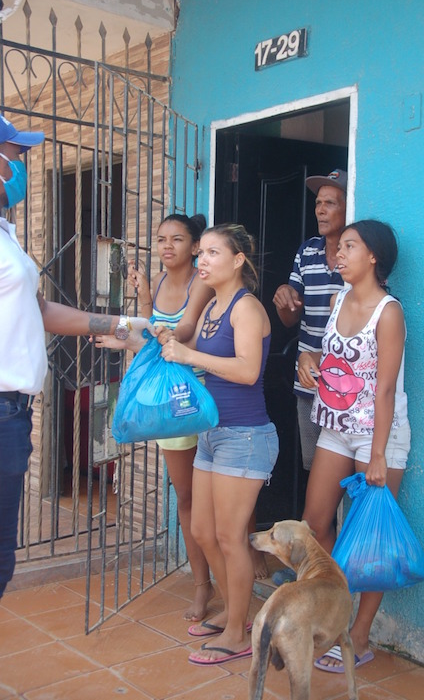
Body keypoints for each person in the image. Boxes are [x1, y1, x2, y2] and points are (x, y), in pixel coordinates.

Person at [0, 114, 152, 599]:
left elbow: (37, 308)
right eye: (15, 153)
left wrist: (121, 325)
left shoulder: (5, 233)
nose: (21, 163)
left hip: (13, 412)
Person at [159, 223, 279, 665]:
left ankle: (237, 633)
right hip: (213, 432)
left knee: (231, 538)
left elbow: (247, 371)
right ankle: (235, 613)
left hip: (245, 436)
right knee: (204, 532)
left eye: (211, 253)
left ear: (238, 260)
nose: (201, 260)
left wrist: (191, 357)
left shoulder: (246, 308)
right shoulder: (211, 303)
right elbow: (181, 339)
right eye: (201, 253)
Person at [298, 219, 411, 673]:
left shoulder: (389, 312)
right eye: (339, 247)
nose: (338, 254)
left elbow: (384, 389)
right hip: (336, 427)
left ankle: (359, 638)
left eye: (349, 246)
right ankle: (331, 615)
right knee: (315, 522)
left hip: (378, 435)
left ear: (374, 257)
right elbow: (334, 357)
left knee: (371, 547)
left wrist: (380, 454)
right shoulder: (338, 298)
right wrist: (309, 359)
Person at [98, 212, 218, 622]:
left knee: (223, 491)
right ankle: (203, 584)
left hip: (205, 399)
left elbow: (184, 328)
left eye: (177, 240)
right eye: (161, 239)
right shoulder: (162, 280)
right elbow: (149, 326)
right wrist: (136, 311)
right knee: (185, 496)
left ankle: (239, 561)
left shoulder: (202, 279)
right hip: (172, 409)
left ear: (195, 245)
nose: (167, 247)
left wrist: (164, 335)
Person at [271, 168, 346, 585]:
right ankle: (314, 575)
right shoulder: (307, 252)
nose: (320, 208)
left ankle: (328, 580)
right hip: (308, 386)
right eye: (318, 201)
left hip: (349, 395)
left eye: (330, 201)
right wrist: (284, 299)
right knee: (317, 477)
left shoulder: (358, 256)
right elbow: (289, 317)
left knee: (343, 494)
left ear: (348, 207)